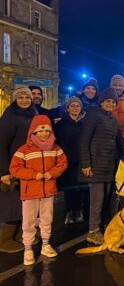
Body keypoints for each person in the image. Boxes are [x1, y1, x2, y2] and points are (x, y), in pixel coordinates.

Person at [9, 115, 68, 265]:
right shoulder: (24, 150)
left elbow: (63, 163)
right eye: (40, 131)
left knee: (47, 218)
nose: (44, 134)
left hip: (48, 190)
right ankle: (28, 248)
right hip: (30, 191)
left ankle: (45, 244)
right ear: (33, 132)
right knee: (29, 220)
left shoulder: (55, 148)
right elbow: (15, 168)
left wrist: (52, 173)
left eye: (47, 131)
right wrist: (34, 175)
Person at [79, 87, 123, 245]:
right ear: (102, 102)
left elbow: (119, 141)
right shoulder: (93, 114)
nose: (110, 104)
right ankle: (93, 231)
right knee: (97, 200)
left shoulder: (112, 119)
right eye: (108, 101)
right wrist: (86, 163)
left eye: (113, 101)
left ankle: (102, 225)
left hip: (109, 164)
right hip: (96, 164)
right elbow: (84, 139)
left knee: (106, 198)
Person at [0, 87, 37, 253]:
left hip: (28, 167)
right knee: (12, 204)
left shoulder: (33, 114)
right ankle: (6, 238)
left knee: (26, 202)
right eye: (21, 97)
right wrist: (3, 172)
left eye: (27, 98)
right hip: (12, 168)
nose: (24, 100)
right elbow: (2, 144)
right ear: (15, 99)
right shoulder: (9, 117)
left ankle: (23, 234)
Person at [55, 96, 87, 225]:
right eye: (72, 106)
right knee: (69, 187)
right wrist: (68, 154)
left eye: (78, 106)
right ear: (67, 108)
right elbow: (60, 141)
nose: (75, 108)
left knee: (80, 187)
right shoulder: (61, 124)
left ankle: (79, 210)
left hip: (81, 158)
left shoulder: (84, 123)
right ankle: (69, 211)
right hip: (67, 158)